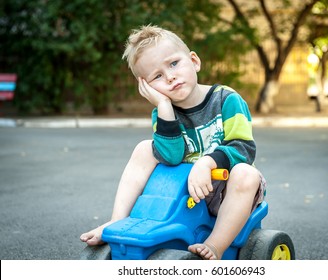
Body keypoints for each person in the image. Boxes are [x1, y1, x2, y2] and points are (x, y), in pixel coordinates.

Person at [80, 24, 266, 260]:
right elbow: (171, 156)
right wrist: (165, 107)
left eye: (174, 63)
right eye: (157, 76)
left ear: (194, 61)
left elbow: (244, 148)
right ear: (146, 87)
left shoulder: (226, 99)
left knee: (246, 173)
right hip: (184, 192)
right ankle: (117, 222)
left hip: (227, 189)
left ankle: (216, 245)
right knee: (144, 148)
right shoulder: (162, 113)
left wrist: (208, 163)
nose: (170, 76)